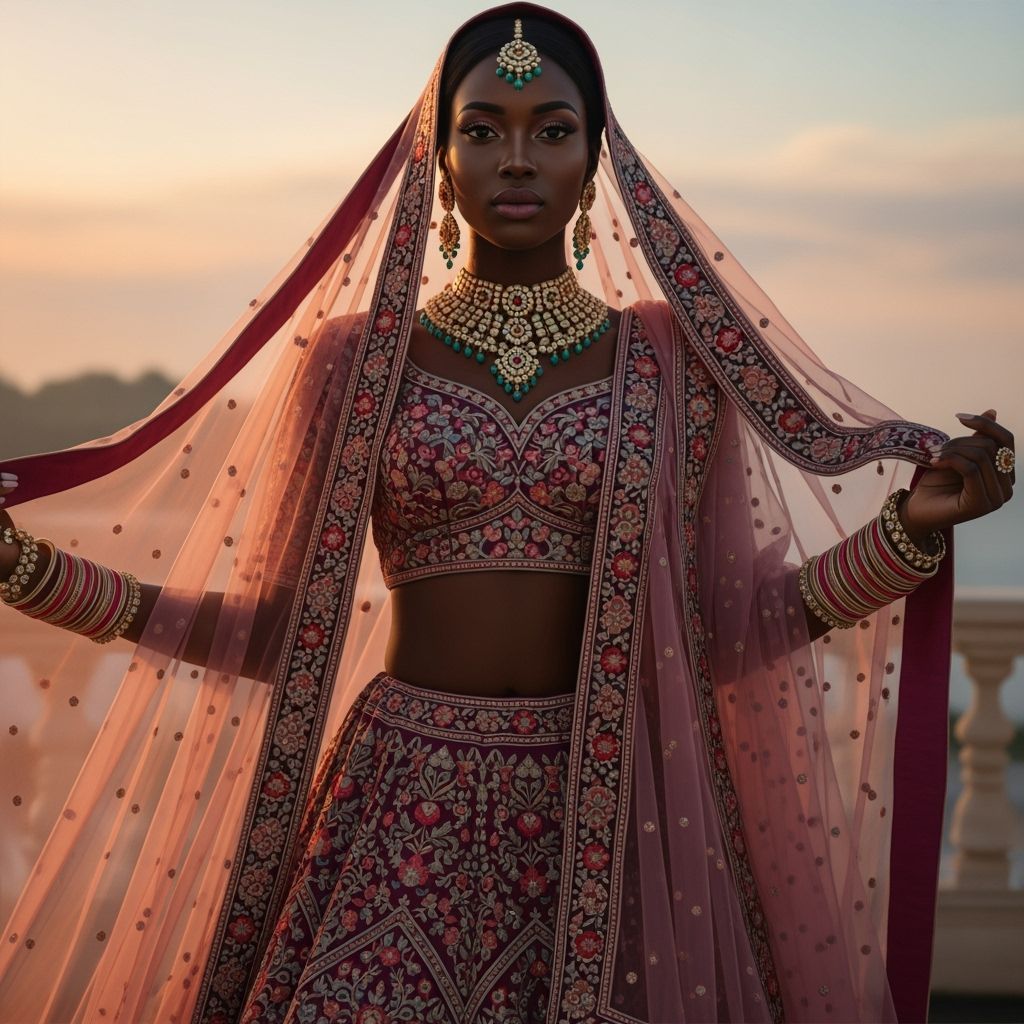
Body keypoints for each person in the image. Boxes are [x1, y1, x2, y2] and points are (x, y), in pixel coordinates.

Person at [0, 4, 1015, 1022]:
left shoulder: (670, 363)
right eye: (481, 129)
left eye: (552, 129)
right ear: (436, 161)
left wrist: (905, 535)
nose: (516, 157)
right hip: (400, 812)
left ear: (594, 160)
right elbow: (282, 629)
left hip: (617, 818)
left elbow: (720, 628)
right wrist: (33, 573)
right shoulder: (355, 364)